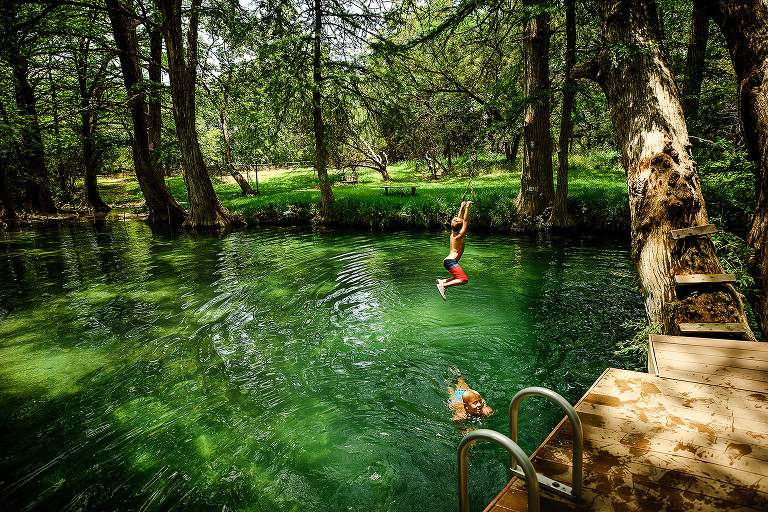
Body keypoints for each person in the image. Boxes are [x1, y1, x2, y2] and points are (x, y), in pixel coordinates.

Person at [436, 201, 472, 300]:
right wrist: (467, 207)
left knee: (459, 278)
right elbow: (465, 220)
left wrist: (461, 207)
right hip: (451, 261)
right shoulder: (460, 235)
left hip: (448, 260)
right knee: (463, 279)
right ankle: (443, 286)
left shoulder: (453, 234)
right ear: (460, 228)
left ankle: (443, 281)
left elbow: (459, 220)